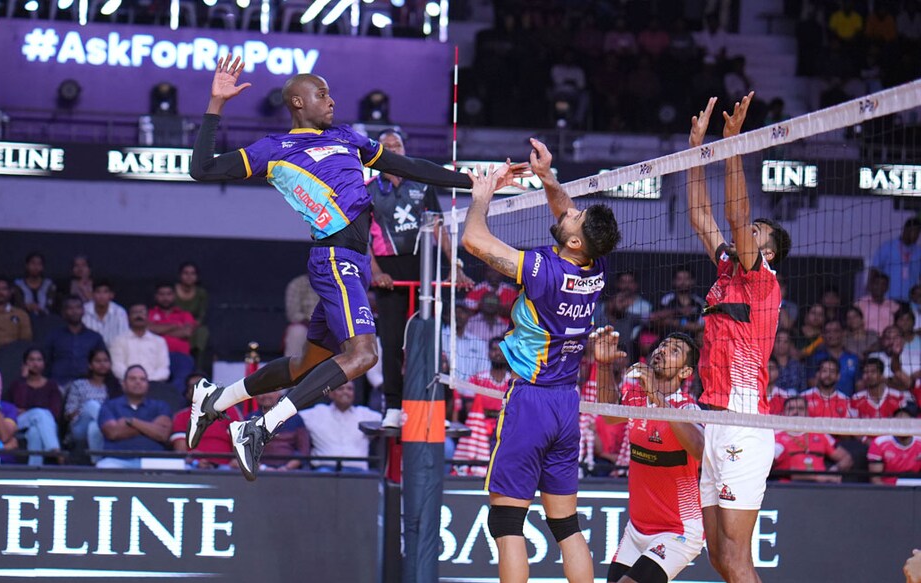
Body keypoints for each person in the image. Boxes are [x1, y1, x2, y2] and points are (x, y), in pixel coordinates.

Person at [186, 55, 525, 481]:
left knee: (305, 364)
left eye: (330, 94)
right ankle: (261, 426)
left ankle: (216, 398)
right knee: (364, 355)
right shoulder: (274, 149)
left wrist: (479, 181)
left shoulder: (347, 137)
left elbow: (408, 167)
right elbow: (202, 169)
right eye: (321, 94)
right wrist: (216, 104)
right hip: (334, 258)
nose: (331, 101)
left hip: (352, 262)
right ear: (297, 102)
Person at [460, 144, 621, 583]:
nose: (570, 211)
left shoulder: (544, 271)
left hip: (530, 400)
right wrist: (547, 177)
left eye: (576, 218)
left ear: (574, 242)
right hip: (567, 404)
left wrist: (482, 196)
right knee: (566, 525)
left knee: (506, 523)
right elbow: (565, 212)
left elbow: (474, 240)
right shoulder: (595, 267)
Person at [687, 94, 792, 583]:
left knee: (736, 558)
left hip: (743, 423)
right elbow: (700, 216)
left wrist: (731, 146)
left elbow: (733, 214)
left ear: (765, 251)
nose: (746, 231)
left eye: (755, 231)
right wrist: (695, 151)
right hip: (714, 418)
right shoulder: (728, 270)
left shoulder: (760, 279)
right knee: (717, 556)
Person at [367, 128, 471, 428]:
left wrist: (455, 265)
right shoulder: (368, 190)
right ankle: (392, 406)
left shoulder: (422, 185)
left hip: (423, 269)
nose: (392, 150)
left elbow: (439, 227)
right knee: (391, 342)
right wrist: (376, 272)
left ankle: (433, 404)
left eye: (397, 145)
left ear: (404, 149)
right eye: (386, 146)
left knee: (428, 339)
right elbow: (362, 239)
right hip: (389, 273)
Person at [592, 328, 705, 583]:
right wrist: (604, 365)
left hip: (677, 530)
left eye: (674, 351)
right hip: (637, 529)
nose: (663, 350)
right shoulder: (636, 397)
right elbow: (609, 415)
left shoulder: (687, 407)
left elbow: (699, 448)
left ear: (685, 372)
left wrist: (656, 394)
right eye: (663, 345)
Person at [96, 366, 172, 469]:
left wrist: (131, 422)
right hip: (116, 460)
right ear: (123, 384)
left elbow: (163, 434)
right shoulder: (109, 406)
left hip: (154, 460)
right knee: (103, 467)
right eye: (132, 379)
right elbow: (113, 433)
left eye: (142, 379)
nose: (138, 382)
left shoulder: (161, 406)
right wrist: (151, 427)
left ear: (148, 385)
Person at [297, 381, 381, 472]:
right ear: (331, 394)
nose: (345, 392)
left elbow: (387, 422)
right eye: (340, 389)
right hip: (324, 470)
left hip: (358, 471)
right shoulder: (317, 413)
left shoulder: (365, 414)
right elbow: (292, 418)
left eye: (349, 389)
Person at [4, 347, 62, 466]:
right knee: (39, 413)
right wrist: (23, 380)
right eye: (31, 360)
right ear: (25, 363)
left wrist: (27, 411)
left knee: (35, 432)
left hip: (44, 425)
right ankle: (54, 449)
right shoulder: (17, 384)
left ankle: (35, 468)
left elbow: (54, 412)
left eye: (39, 360)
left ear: (44, 363)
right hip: (19, 424)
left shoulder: (51, 385)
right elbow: (14, 407)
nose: (35, 363)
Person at [772, 397, 853, 483]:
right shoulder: (774, 437)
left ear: (807, 412)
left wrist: (832, 472)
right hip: (788, 486)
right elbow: (777, 468)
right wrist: (818, 477)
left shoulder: (820, 434)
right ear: (783, 413)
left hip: (820, 486)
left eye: (801, 408)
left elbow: (846, 458)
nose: (796, 412)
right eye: (791, 409)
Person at [172, 374, 242, 470]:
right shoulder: (181, 416)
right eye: (193, 387)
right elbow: (181, 451)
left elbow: (240, 442)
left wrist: (236, 460)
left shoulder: (229, 411)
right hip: (194, 466)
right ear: (188, 394)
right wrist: (194, 460)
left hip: (226, 466)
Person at [63, 347, 120, 456]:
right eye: (98, 361)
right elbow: (69, 414)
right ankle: (111, 427)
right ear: (90, 365)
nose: (102, 364)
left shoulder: (115, 387)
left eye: (105, 361)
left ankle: (96, 462)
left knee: (94, 426)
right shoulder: (79, 384)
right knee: (91, 405)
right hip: (79, 428)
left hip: (103, 429)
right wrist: (86, 411)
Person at [44, 296, 106, 384]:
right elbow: (46, 362)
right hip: (59, 383)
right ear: (64, 312)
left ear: (83, 311)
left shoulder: (95, 337)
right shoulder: (54, 336)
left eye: (78, 307)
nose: (74, 311)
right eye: (70, 308)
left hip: (87, 384)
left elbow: (102, 361)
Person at [148, 283, 195, 391]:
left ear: (174, 296)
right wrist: (175, 325)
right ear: (156, 296)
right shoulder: (149, 313)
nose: (165, 298)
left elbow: (187, 332)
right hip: (154, 355)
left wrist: (159, 329)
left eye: (169, 294)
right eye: (162, 294)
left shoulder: (185, 314)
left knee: (181, 383)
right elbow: (148, 329)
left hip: (180, 356)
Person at [247, 390, 310, 471]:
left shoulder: (294, 418)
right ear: (255, 396)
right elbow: (245, 452)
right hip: (258, 471)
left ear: (279, 393)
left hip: (290, 471)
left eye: (270, 391)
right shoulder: (249, 419)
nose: (265, 395)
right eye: (261, 392)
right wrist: (263, 468)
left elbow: (304, 451)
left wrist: (286, 468)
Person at [110, 303, 171, 382]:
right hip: (127, 384)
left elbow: (163, 369)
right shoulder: (118, 340)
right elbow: (117, 367)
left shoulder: (159, 341)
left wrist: (145, 381)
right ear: (128, 318)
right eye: (135, 312)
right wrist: (134, 379)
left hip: (153, 383)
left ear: (148, 317)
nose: (138, 315)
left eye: (142, 312)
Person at [805, 320, 861, 396]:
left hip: (847, 402)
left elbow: (859, 385)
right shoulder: (815, 358)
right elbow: (812, 383)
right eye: (828, 332)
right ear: (823, 335)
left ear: (843, 333)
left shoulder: (854, 358)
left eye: (836, 331)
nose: (832, 335)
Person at [872, 217, 921, 304]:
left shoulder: (919, 251)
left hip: (911, 301)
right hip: (888, 299)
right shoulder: (888, 247)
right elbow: (874, 270)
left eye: (918, 233)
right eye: (915, 232)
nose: (917, 236)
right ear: (906, 230)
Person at [868, 406, 921, 485]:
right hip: (890, 488)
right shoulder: (879, 443)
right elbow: (876, 479)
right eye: (898, 423)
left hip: (916, 486)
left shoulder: (919, 442)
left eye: (906, 423)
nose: (902, 426)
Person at [173, 262, 211, 371]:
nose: (189, 276)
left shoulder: (201, 293)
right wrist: (179, 326)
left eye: (192, 273)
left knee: (202, 333)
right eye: (186, 273)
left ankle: (197, 369)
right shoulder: (172, 291)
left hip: (192, 327)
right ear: (180, 275)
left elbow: (202, 315)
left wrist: (191, 326)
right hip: (173, 326)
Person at [654, 267, 706, 337]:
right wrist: (678, 311)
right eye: (679, 279)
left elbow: (700, 326)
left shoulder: (699, 303)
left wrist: (674, 322)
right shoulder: (666, 299)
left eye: (686, 279)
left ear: (693, 281)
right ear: (673, 281)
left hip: (691, 340)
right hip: (667, 338)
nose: (683, 282)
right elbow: (654, 318)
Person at [82, 279, 128, 347]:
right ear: (92, 294)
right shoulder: (83, 310)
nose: (101, 296)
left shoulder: (120, 312)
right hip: (88, 350)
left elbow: (123, 337)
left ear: (111, 295)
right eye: (98, 292)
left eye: (105, 292)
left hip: (113, 350)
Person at [283, 274, 320, 358]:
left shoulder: (339, 283)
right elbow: (293, 314)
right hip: (308, 325)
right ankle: (292, 364)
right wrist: (313, 323)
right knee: (297, 332)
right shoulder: (297, 284)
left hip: (332, 326)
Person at [856, 270, 901, 335]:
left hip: (889, 339)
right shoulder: (860, 304)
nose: (880, 287)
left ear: (887, 287)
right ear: (871, 285)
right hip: (867, 339)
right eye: (877, 283)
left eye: (883, 284)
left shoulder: (894, 306)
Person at [14, 252, 56, 316]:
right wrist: (27, 307)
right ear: (27, 265)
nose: (36, 267)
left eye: (39, 264)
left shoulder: (49, 285)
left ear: (43, 267)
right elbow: (17, 304)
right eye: (33, 263)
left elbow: (51, 305)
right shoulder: (18, 285)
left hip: (46, 318)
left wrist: (40, 309)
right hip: (23, 317)